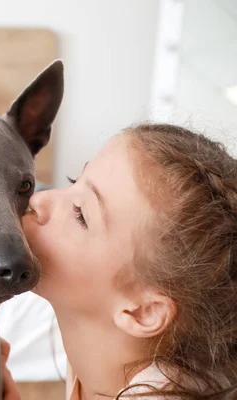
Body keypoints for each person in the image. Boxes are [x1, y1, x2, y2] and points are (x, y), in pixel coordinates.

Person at [20, 123, 237, 399]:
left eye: (81, 215)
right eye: (74, 181)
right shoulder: (97, 353)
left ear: (143, 311)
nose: (39, 199)